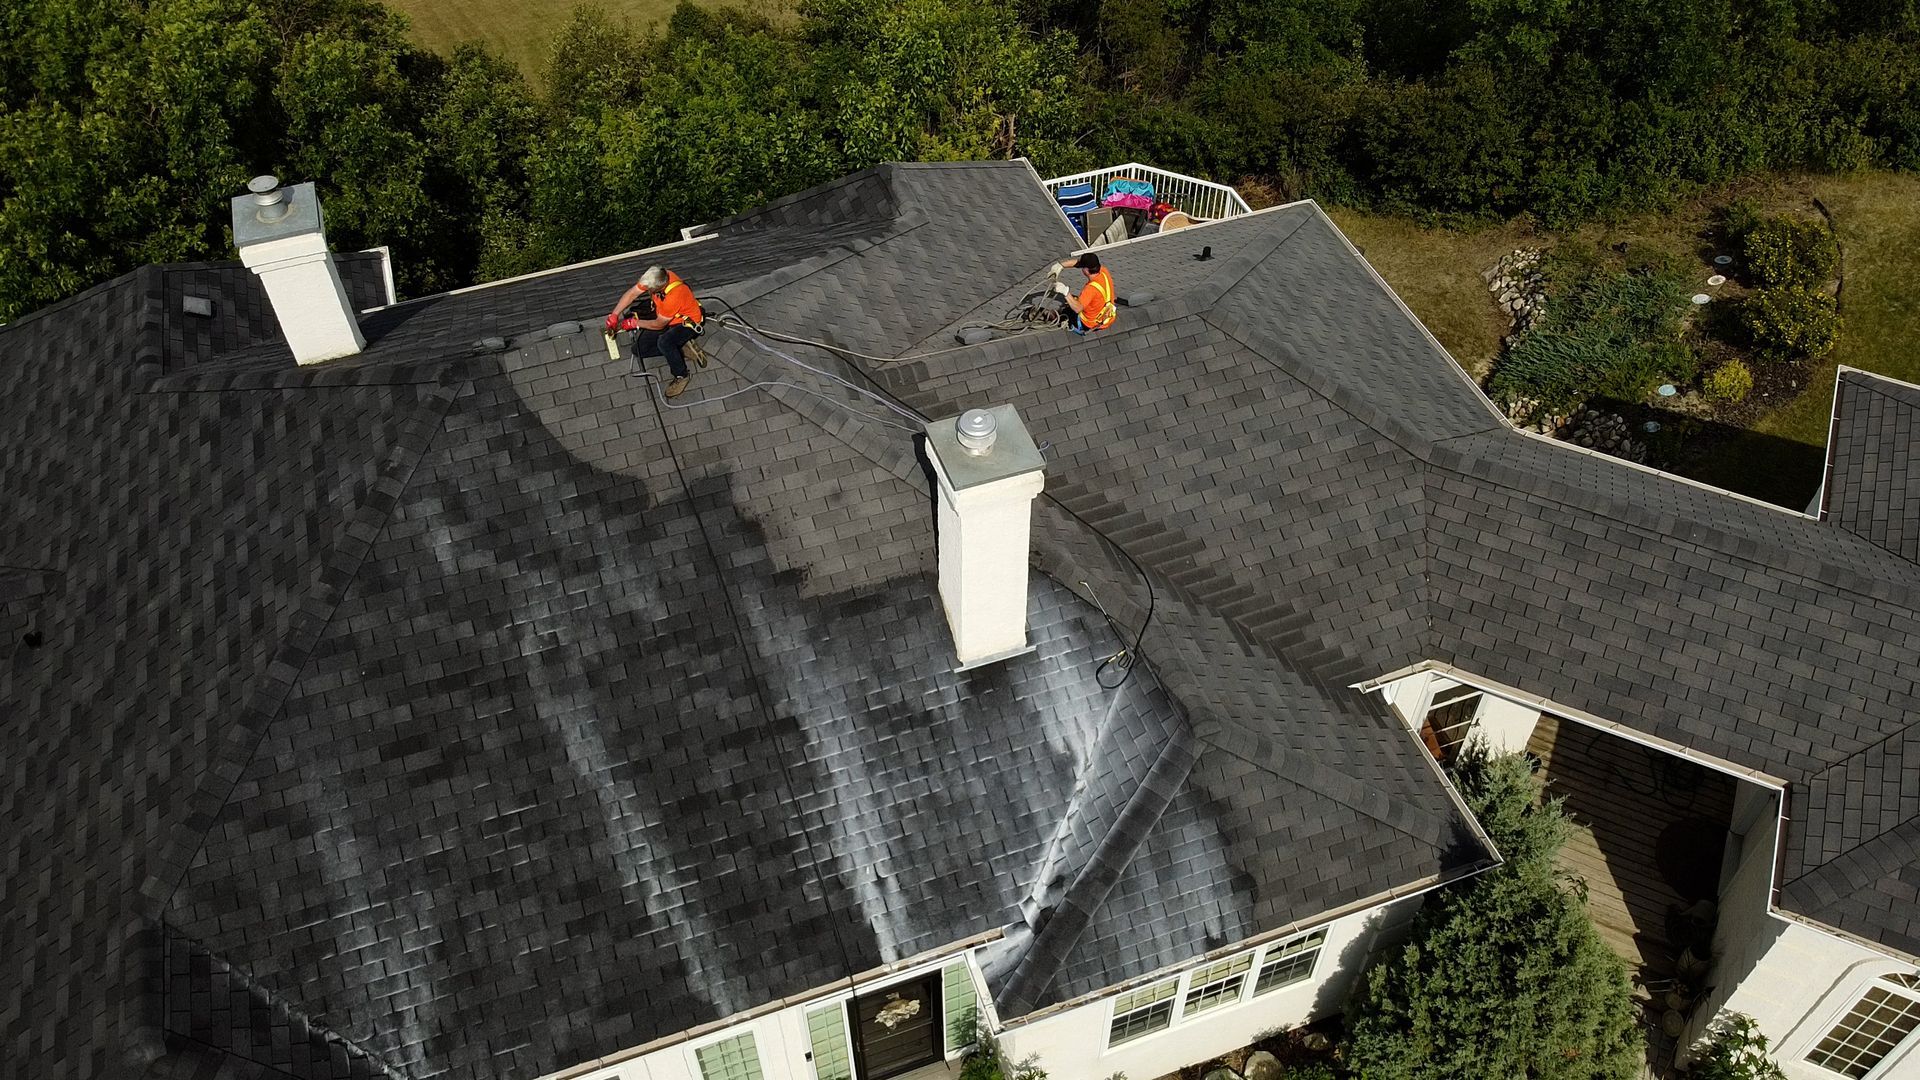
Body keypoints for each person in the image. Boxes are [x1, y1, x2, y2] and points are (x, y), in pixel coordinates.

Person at [607, 266, 707, 397]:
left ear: (658, 288)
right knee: (638, 350)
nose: (646, 290)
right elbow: (632, 293)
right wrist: (614, 314)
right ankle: (679, 350)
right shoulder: (656, 276)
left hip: (687, 324)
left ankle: (681, 375)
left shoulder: (674, 295)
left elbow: (658, 325)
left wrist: (633, 323)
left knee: (664, 343)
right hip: (667, 318)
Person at [1048, 252, 1116, 334]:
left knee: (1065, 312)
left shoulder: (1091, 289)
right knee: (1074, 302)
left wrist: (1065, 292)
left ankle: (1055, 318)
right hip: (1106, 317)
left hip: (1089, 323)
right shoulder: (1103, 271)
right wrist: (1060, 265)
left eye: (1082, 267)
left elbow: (1078, 308)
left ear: (1086, 270)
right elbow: (1078, 263)